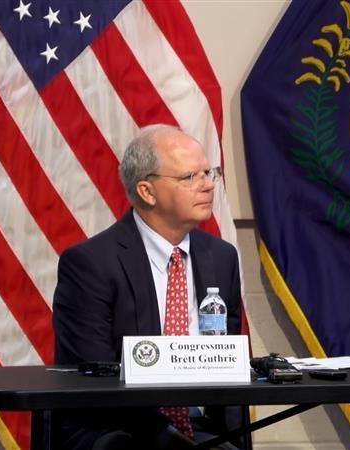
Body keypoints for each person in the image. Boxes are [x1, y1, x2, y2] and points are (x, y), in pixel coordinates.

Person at [52, 124, 243, 449]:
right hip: (117, 428)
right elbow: (95, 378)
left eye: (209, 173)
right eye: (190, 177)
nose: (209, 185)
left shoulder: (222, 257)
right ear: (147, 191)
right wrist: (169, 440)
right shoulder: (90, 264)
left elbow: (229, 362)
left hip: (201, 427)